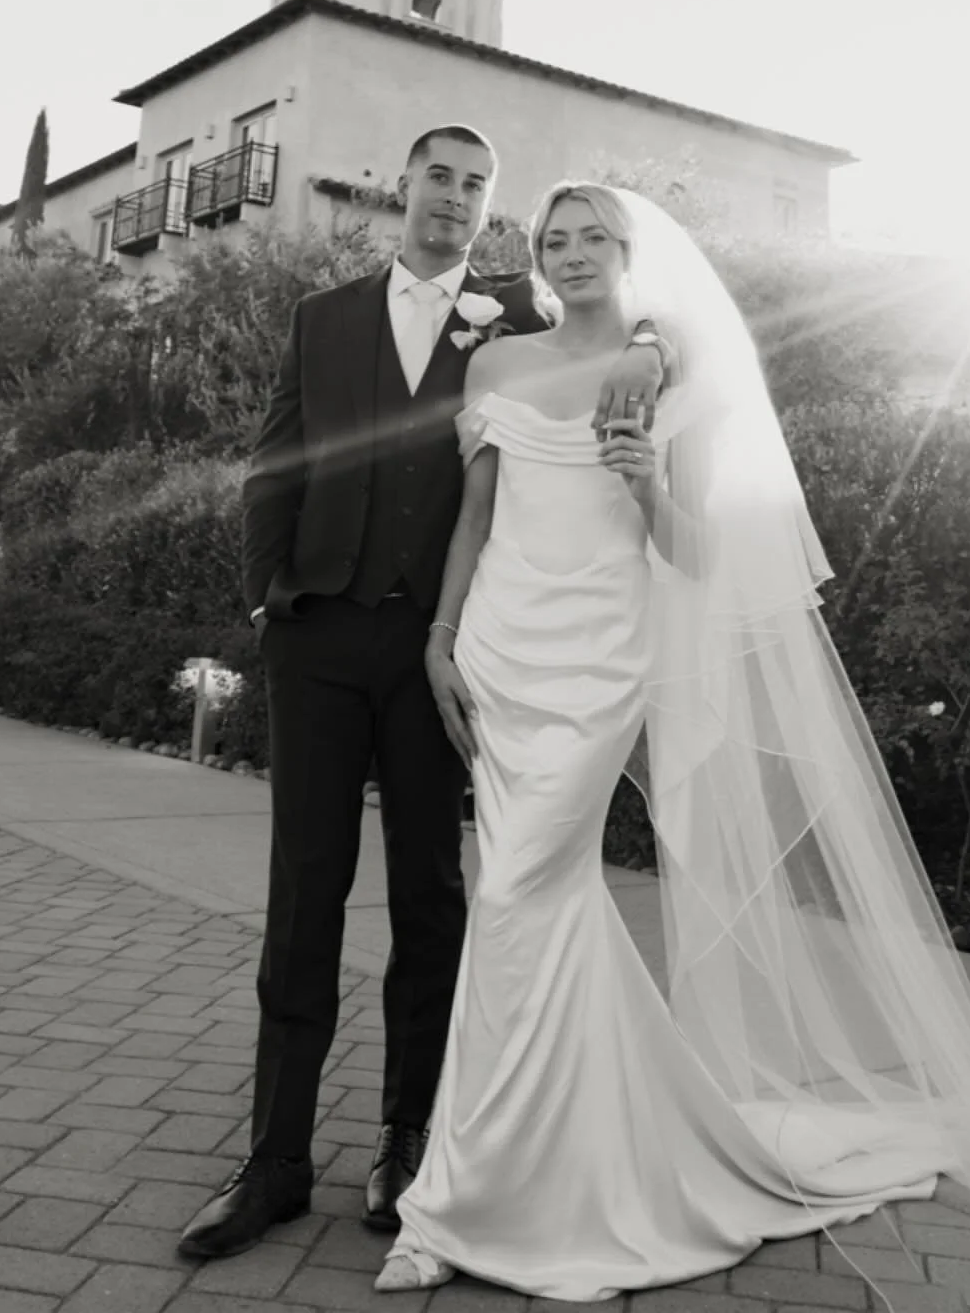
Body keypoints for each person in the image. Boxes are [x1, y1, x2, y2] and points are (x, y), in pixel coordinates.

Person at [373, 182, 970, 1310]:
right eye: (555, 239)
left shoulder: (673, 366)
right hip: (501, 651)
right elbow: (476, 515)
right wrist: (440, 636)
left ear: (632, 252)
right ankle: (571, 1155)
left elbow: (707, 558)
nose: (571, 255)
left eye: (594, 239)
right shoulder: (497, 367)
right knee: (534, 901)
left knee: (520, 894)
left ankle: (457, 1201)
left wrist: (647, 480)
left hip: (605, 653)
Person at [177, 130, 668, 1264]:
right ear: (405, 188)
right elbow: (274, 462)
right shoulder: (324, 316)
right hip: (318, 637)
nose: (454, 197)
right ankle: (275, 1161)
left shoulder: (515, 318)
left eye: (476, 184)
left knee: (432, 899)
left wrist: (644, 341)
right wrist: (267, 597)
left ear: (492, 210)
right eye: (438, 177)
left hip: (443, 654)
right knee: (303, 895)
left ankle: (406, 1139)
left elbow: (618, 327)